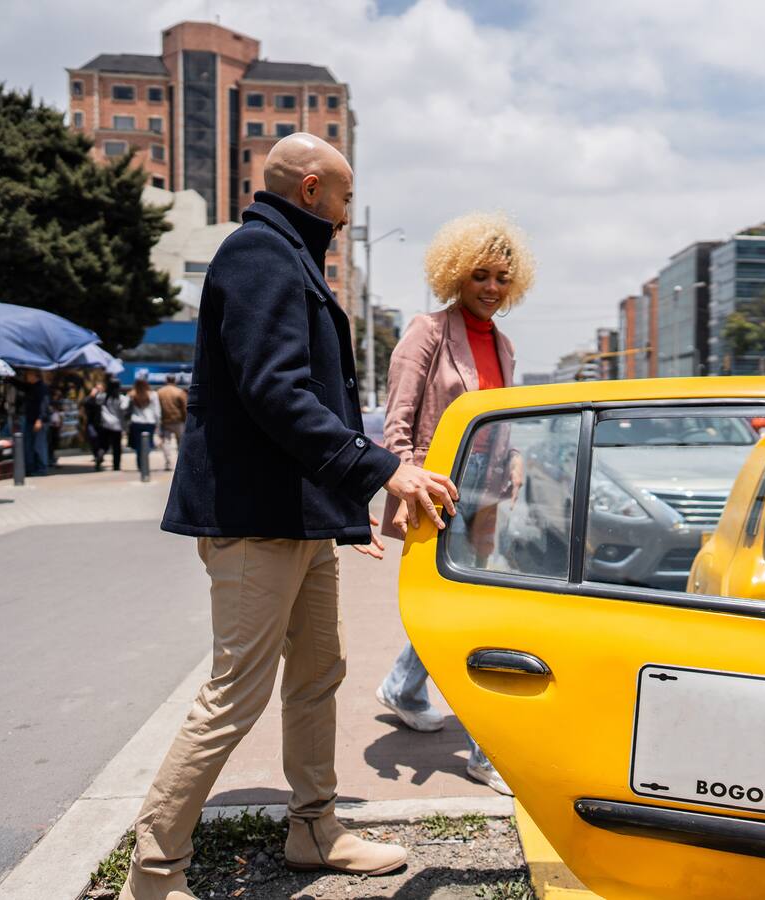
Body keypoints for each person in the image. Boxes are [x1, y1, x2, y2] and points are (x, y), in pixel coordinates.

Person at [120, 133, 459, 900]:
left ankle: (314, 828)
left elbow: (302, 408)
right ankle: (153, 873)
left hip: (296, 520)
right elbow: (275, 392)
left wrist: (343, 516)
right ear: (311, 189)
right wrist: (382, 469)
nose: (346, 212)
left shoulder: (289, 255)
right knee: (234, 694)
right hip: (252, 521)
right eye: (344, 196)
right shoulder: (260, 253)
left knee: (317, 675)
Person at [375, 212, 534, 796]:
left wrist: (512, 458)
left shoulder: (504, 345)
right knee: (474, 617)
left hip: (486, 494)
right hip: (437, 493)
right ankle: (487, 751)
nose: (491, 288)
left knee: (458, 610)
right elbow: (398, 419)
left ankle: (403, 687)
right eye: (479, 276)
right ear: (456, 275)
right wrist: (403, 480)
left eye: (501, 278)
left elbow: (499, 416)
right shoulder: (428, 331)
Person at [127, 371, 161, 468]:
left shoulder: (132, 394)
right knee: (148, 444)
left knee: (138, 445)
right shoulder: (153, 394)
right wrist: (158, 424)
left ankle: (140, 464)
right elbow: (157, 411)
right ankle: (145, 464)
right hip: (149, 422)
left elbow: (124, 407)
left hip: (136, 422)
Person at [19, 369, 50, 476]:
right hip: (30, 420)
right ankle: (30, 468)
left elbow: (44, 405)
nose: (26, 377)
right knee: (29, 445)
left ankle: (42, 468)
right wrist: (9, 379)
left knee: (39, 445)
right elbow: (21, 386)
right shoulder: (31, 387)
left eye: (28, 374)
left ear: (34, 375)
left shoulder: (42, 388)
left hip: (38, 421)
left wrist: (40, 419)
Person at [91, 378, 126, 471]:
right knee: (116, 447)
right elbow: (124, 409)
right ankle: (116, 465)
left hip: (105, 424)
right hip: (117, 425)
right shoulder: (120, 398)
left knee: (103, 445)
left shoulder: (103, 396)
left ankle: (99, 456)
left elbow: (95, 399)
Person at [156, 374, 187, 471]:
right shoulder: (179, 392)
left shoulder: (159, 392)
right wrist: (186, 420)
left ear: (166, 380)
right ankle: (181, 463)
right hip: (178, 421)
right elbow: (184, 407)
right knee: (181, 443)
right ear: (175, 380)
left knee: (166, 442)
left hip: (165, 421)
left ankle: (168, 464)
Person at [47, 388, 64, 468]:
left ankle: (52, 458)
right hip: (50, 426)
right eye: (57, 395)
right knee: (50, 443)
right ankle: (50, 459)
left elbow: (61, 415)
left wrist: (60, 424)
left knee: (54, 443)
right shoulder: (50, 403)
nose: (58, 397)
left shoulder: (58, 404)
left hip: (56, 426)